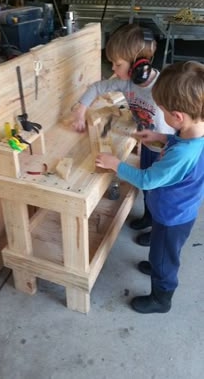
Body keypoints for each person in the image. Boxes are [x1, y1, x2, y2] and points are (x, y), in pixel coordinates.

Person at [95, 61, 204, 314]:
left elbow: (147, 180)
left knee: (164, 259)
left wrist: (116, 164)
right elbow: (180, 139)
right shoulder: (194, 131)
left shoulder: (183, 154)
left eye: (163, 111)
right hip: (175, 209)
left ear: (177, 116)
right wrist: (161, 137)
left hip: (171, 215)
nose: (161, 116)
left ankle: (161, 298)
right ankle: (158, 265)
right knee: (160, 251)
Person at [71, 23, 174, 246]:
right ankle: (148, 216)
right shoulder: (124, 82)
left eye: (117, 64)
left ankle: (158, 229)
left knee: (161, 194)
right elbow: (97, 88)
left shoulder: (164, 87)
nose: (113, 70)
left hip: (167, 151)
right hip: (148, 146)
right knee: (149, 193)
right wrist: (80, 110)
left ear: (140, 66)